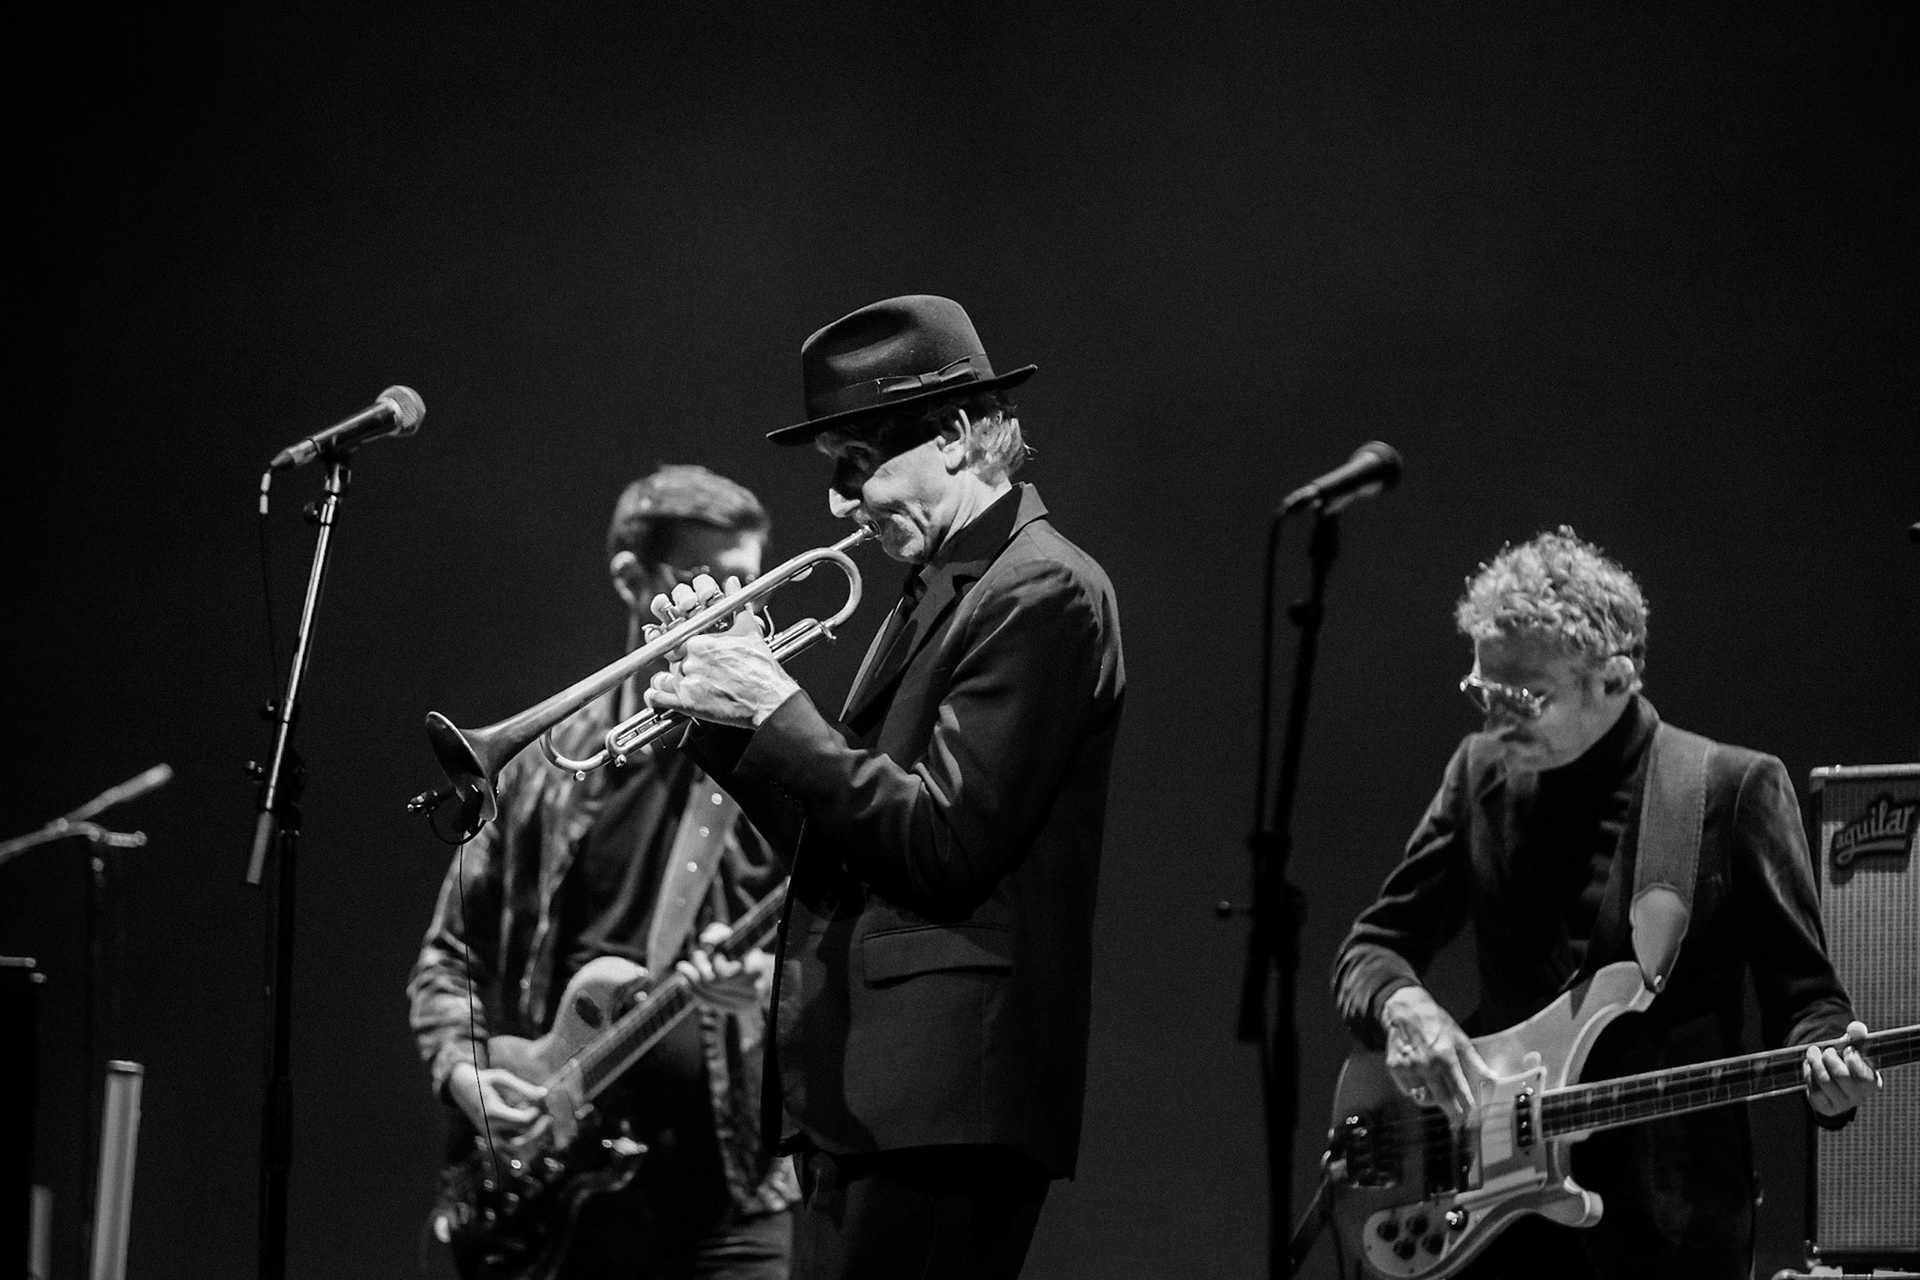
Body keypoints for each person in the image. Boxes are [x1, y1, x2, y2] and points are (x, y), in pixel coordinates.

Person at [643, 295, 1125, 1279]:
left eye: (855, 463)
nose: (835, 503)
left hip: (941, 1099)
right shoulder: (939, 589)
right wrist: (717, 721)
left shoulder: (1043, 589)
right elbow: (849, 847)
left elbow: (942, 849)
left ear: (953, 435)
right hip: (862, 1091)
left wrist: (778, 704)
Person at [1330, 527, 1882, 1279]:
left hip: (1670, 1230)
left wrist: (1832, 1079)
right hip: (1498, 1229)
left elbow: (1809, 1003)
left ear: (1615, 680)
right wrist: (1402, 1007)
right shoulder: (1479, 775)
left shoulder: (1728, 789)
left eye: (1525, 697)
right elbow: (1371, 949)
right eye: (1482, 691)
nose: (1494, 720)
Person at [407, 464, 796, 1280]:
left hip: (730, 1187)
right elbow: (449, 961)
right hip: (565, 1186)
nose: (738, 605)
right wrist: (465, 1073)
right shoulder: (544, 768)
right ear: (632, 580)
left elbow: (847, 938)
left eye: (751, 582)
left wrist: (769, 984)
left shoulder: (781, 755)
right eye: (713, 580)